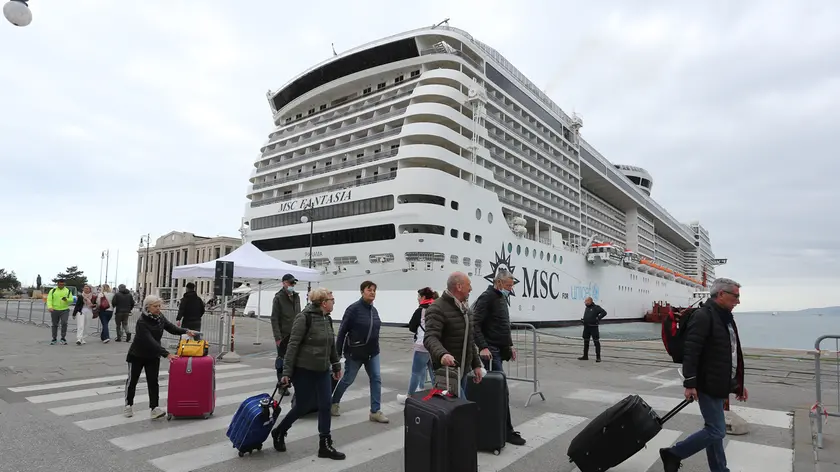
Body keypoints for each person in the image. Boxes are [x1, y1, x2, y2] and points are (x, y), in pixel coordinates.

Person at [659, 278, 748, 472]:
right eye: (736, 296)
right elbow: (691, 352)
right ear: (721, 294)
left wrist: (737, 383)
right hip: (707, 383)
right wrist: (690, 384)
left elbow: (730, 354)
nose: (738, 301)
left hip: (719, 381)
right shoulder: (703, 316)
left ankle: (719, 469)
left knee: (714, 430)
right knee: (716, 430)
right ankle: (673, 453)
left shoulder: (725, 318)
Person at [272, 287, 345, 460]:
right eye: (332, 299)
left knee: (325, 405)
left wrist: (336, 366)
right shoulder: (304, 318)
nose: (334, 302)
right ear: (323, 302)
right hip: (303, 370)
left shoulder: (327, 319)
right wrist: (286, 372)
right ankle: (280, 431)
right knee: (302, 406)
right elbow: (292, 346)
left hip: (322, 370)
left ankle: (324, 445)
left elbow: (331, 345)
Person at [471, 269, 527, 446]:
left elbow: (502, 324)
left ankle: (501, 429)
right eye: (509, 285)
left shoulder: (500, 298)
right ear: (499, 282)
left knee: (499, 391)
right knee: (501, 391)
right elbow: (475, 324)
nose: (511, 289)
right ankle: (506, 431)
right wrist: (483, 347)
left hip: (498, 350)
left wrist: (509, 345)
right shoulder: (487, 297)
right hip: (491, 352)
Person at [124, 295, 195, 419]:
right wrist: (166, 354)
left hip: (153, 355)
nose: (158, 308)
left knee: (153, 381)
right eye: (155, 306)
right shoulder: (142, 321)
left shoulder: (160, 317)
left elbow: (171, 328)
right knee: (132, 381)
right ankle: (128, 405)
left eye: (159, 306)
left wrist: (185, 331)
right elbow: (149, 341)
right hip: (137, 354)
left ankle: (154, 408)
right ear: (148, 307)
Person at [331, 281, 389, 423]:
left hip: (372, 352)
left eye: (374, 290)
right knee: (348, 379)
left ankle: (375, 411)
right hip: (355, 353)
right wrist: (337, 354)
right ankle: (334, 403)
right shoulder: (353, 309)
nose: (372, 292)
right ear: (362, 292)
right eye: (369, 290)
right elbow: (342, 332)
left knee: (376, 378)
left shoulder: (374, 311)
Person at [423, 271, 483, 397]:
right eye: (469, 285)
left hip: (463, 371)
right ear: (459, 286)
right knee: (460, 405)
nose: (471, 289)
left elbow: (470, 340)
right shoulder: (437, 308)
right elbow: (430, 337)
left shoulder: (466, 310)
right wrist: (442, 354)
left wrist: (476, 365)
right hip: (447, 372)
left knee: (457, 406)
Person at [396, 287, 438, 404]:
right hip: (434, 345)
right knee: (433, 372)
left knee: (416, 372)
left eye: (419, 296)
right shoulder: (436, 308)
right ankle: (437, 395)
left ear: (423, 297)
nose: (418, 299)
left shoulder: (420, 310)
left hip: (422, 345)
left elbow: (412, 327)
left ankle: (409, 396)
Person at [271, 274, 301, 376]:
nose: (292, 285)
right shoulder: (278, 298)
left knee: (294, 359)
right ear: (284, 283)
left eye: (294, 283)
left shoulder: (296, 297)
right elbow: (274, 319)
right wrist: (278, 338)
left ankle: (291, 379)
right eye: (290, 283)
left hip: (295, 334)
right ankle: (281, 381)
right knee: (282, 359)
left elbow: (299, 315)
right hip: (284, 335)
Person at [578, 296, 607, 362]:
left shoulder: (596, 307)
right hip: (586, 327)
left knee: (596, 342)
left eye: (586, 301)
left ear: (590, 301)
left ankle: (598, 357)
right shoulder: (587, 308)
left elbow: (604, 312)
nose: (585, 302)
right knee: (586, 341)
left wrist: (598, 318)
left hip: (593, 327)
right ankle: (585, 356)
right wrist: (584, 320)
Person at [46, 279, 73, 345]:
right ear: (57, 284)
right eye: (60, 284)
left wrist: (67, 299)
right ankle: (54, 338)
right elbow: (49, 299)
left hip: (64, 310)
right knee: (54, 324)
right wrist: (49, 307)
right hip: (54, 310)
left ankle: (63, 338)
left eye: (63, 284)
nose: (61, 285)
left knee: (64, 323)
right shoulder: (53, 290)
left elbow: (71, 300)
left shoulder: (68, 291)